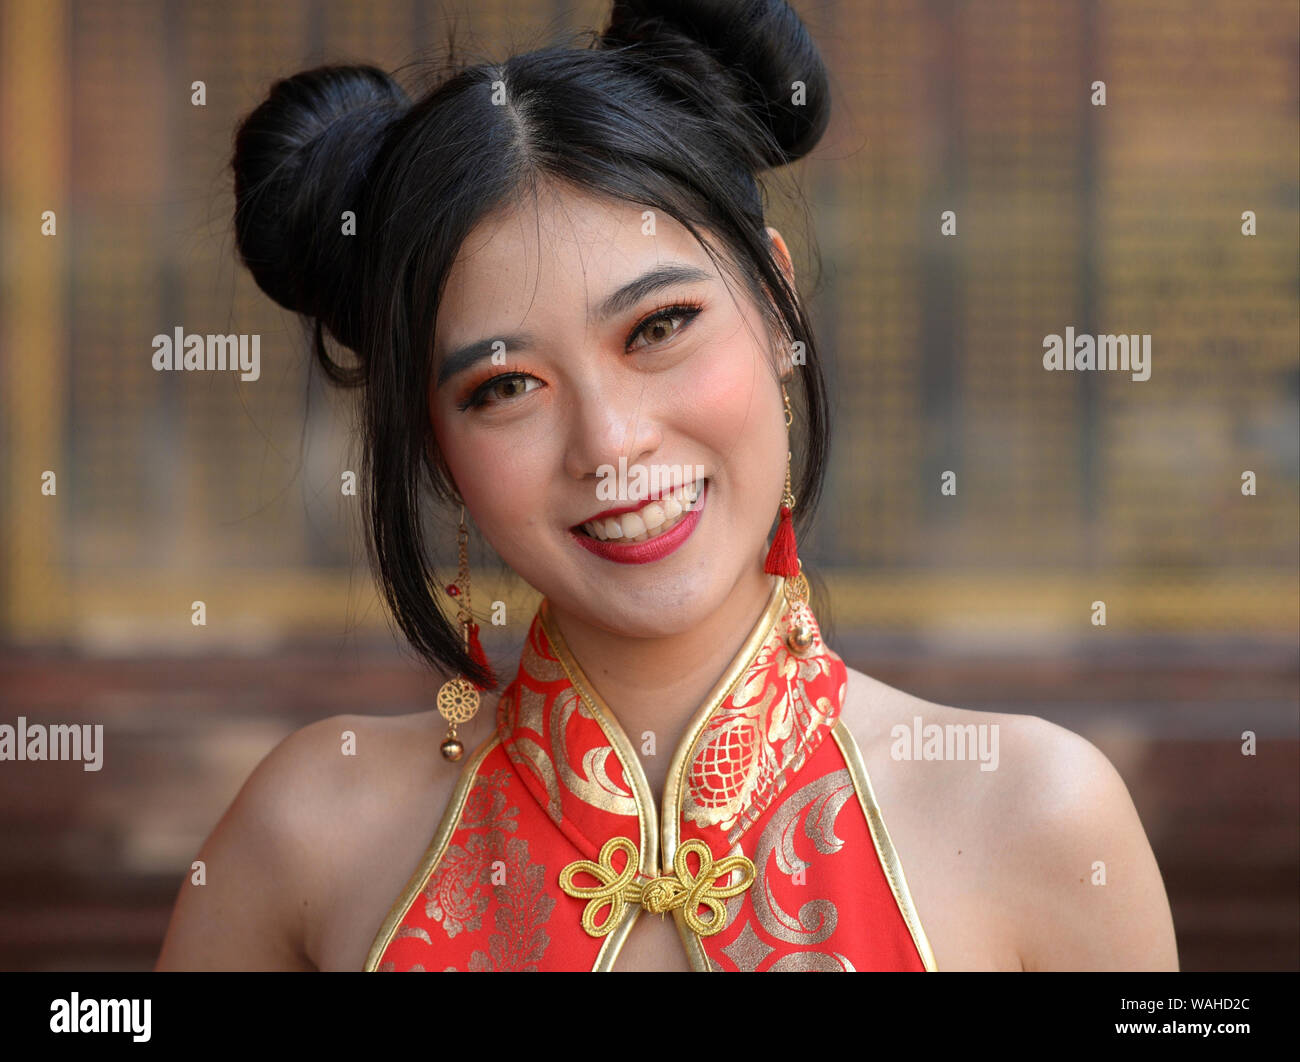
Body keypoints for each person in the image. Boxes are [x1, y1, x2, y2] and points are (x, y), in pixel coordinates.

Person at [156, 0, 1178, 972]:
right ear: (434, 444)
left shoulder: (1036, 818)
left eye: (657, 328)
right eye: (505, 386)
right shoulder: (306, 836)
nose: (610, 443)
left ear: (777, 304)